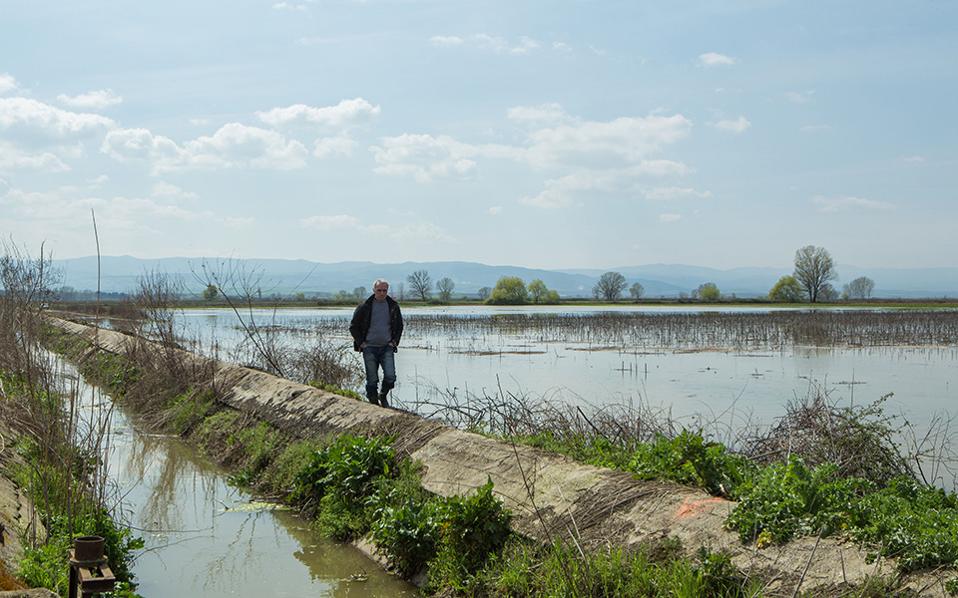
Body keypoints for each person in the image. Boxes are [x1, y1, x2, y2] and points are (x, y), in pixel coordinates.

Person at [349, 279, 403, 407]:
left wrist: (394, 342)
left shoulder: (393, 306)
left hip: (387, 347)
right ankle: (373, 404)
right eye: (379, 290)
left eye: (385, 290)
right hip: (369, 347)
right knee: (372, 380)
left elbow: (400, 326)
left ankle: (382, 395)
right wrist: (361, 343)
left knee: (391, 377)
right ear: (374, 290)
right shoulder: (364, 306)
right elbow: (353, 326)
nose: (382, 293)